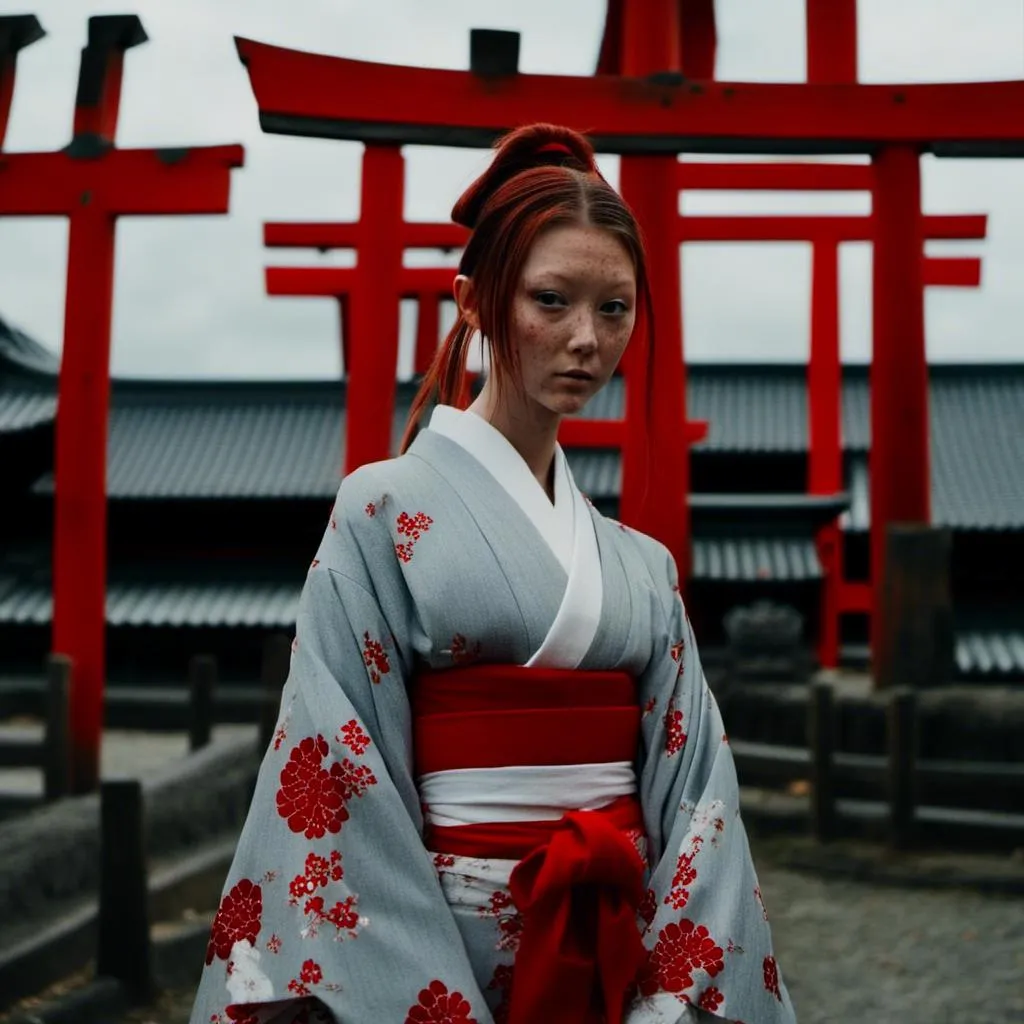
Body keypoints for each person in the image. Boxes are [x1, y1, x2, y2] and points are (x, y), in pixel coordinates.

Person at [190, 123, 796, 1024]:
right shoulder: (381, 513)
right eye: (551, 300)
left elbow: (698, 791)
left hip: (614, 954)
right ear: (473, 301)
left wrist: (669, 998)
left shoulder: (641, 564)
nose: (586, 340)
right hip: (438, 944)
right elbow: (339, 760)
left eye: (615, 308)